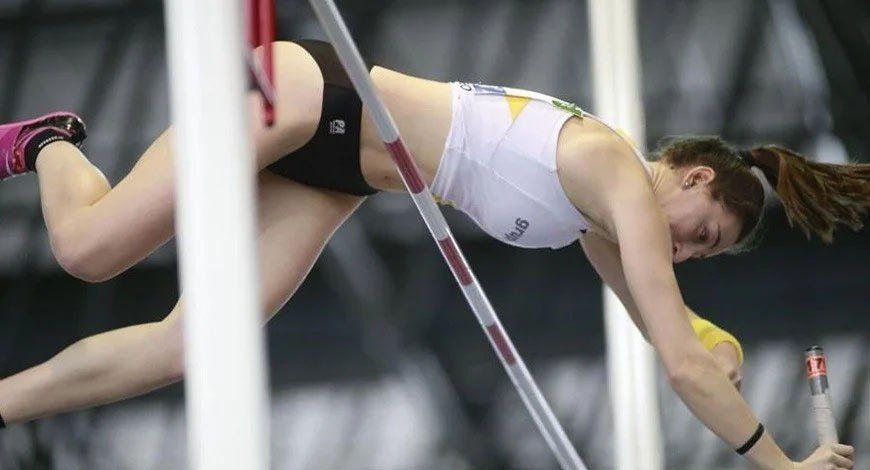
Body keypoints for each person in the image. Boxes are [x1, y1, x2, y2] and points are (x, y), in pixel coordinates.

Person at [0, 40, 863, 468]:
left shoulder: (606, 215)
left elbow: (664, 325)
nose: (686, 252)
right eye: (701, 233)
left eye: (703, 256)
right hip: (313, 94)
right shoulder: (617, 177)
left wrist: (715, 342)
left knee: (185, 347)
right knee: (88, 250)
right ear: (695, 176)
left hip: (338, 174)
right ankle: (49, 144)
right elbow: (678, 365)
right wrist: (778, 462)